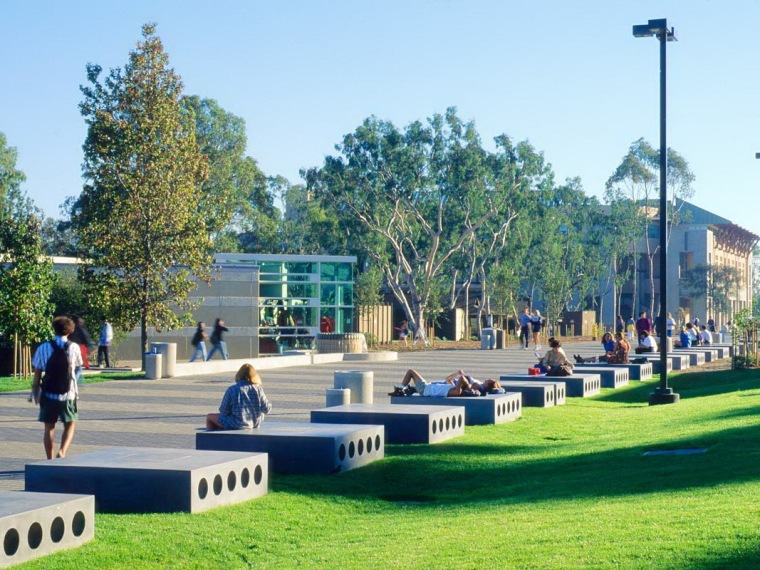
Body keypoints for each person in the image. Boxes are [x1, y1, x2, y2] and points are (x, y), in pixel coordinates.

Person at [31, 316, 83, 459]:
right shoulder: (74, 347)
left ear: (54, 329)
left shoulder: (43, 347)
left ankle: (49, 458)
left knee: (49, 427)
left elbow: (37, 371)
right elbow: (78, 366)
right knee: (70, 423)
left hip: (48, 393)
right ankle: (62, 451)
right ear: (70, 330)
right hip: (69, 393)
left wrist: (35, 389)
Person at [206, 364, 272, 430]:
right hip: (254, 423)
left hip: (236, 424)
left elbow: (223, 412)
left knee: (209, 417)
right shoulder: (258, 389)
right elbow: (267, 409)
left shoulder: (232, 390)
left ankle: (211, 439)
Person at [393, 369, 478, 397]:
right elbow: (448, 379)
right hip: (426, 387)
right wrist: (457, 373)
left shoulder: (457, 391)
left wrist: (468, 385)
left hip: (425, 389)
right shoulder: (453, 387)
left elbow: (462, 378)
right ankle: (410, 389)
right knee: (412, 373)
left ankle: (400, 389)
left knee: (411, 372)